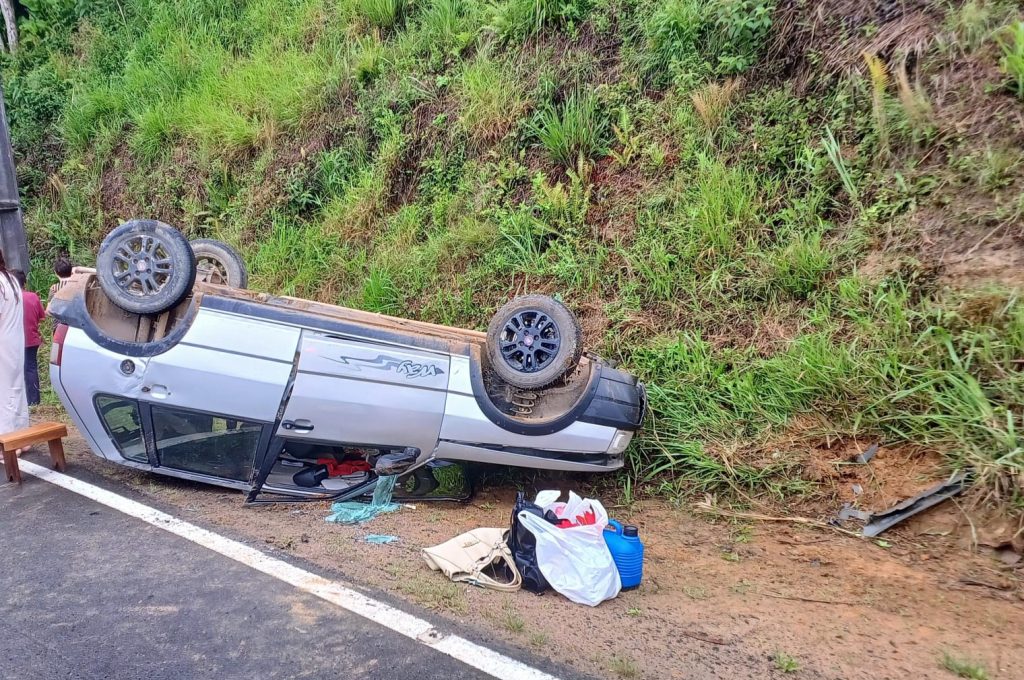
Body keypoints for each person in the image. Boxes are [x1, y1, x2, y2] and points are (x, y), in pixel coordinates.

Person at [0, 249, 29, 437]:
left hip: (3, 342)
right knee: (16, 388)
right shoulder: (10, 280)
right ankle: (21, 435)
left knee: (4, 392)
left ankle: (7, 440)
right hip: (15, 340)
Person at [14, 270, 45, 406]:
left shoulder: (9, 298)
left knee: (15, 369)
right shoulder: (33, 297)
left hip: (13, 340)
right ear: (24, 282)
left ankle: (18, 400)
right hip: (32, 338)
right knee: (31, 367)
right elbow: (41, 317)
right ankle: (34, 400)